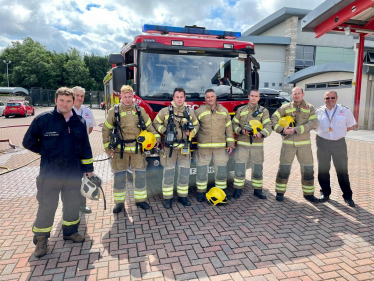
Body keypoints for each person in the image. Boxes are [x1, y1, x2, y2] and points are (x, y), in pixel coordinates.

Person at [23, 87, 94, 258]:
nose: (65, 103)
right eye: (62, 100)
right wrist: (45, 152)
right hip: (50, 172)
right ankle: (41, 239)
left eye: (68, 101)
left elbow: (86, 147)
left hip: (73, 172)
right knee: (47, 205)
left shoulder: (79, 122)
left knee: (71, 203)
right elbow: (28, 142)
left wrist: (88, 169)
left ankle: (70, 232)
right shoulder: (43, 120)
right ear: (56, 101)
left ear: (73, 102)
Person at [102, 85, 160, 213]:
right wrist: (107, 148)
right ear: (121, 97)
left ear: (133, 96)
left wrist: (157, 139)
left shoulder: (140, 110)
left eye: (130, 97)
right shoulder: (114, 111)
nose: (128, 99)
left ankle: (140, 200)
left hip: (137, 151)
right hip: (119, 151)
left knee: (140, 176)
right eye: (125, 97)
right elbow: (106, 129)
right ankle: (119, 203)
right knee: (119, 177)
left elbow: (149, 126)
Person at [153, 88, 199, 209]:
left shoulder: (190, 112)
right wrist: (164, 131)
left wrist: (192, 132)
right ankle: (167, 199)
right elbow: (155, 123)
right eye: (177, 97)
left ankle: (182, 196)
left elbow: (197, 124)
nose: (179, 99)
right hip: (170, 150)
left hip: (185, 148)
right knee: (168, 173)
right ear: (173, 98)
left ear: (184, 98)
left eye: (181, 97)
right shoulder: (165, 111)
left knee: (184, 173)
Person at [271, 86, 319, 203]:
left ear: (303, 94)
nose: (296, 95)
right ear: (291, 95)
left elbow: (313, 122)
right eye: (294, 94)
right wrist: (282, 129)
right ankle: (280, 192)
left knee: (307, 169)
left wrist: (296, 129)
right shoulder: (285, 107)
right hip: (288, 144)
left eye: (298, 93)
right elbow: (273, 119)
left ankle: (308, 194)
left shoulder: (310, 108)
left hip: (304, 145)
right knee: (284, 168)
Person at [315, 90, 356, 207]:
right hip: (322, 143)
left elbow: (350, 126)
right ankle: (325, 193)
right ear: (324, 99)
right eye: (327, 98)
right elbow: (313, 126)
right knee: (323, 170)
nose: (330, 100)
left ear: (336, 98)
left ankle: (347, 196)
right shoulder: (318, 111)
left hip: (339, 144)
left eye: (332, 97)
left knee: (342, 171)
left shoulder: (344, 110)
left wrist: (338, 133)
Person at [194, 89, 235, 201]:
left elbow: (229, 128)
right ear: (205, 99)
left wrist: (230, 143)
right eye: (208, 97)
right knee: (202, 171)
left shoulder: (224, 111)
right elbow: (194, 127)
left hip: (220, 147)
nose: (210, 99)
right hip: (203, 147)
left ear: (215, 97)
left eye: (212, 96)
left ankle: (221, 192)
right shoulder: (199, 111)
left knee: (221, 171)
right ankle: (201, 193)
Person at [232, 90, 272, 199]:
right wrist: (241, 131)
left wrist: (261, 134)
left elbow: (268, 127)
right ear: (248, 97)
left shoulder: (264, 111)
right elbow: (233, 124)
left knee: (257, 168)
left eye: (256, 96)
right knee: (240, 167)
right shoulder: (240, 110)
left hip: (257, 146)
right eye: (252, 96)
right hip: (242, 144)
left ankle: (258, 190)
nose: (254, 98)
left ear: (259, 98)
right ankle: (237, 189)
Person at [72, 86, 97, 214]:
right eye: (77, 95)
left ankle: (82, 205)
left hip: (83, 149)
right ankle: (70, 205)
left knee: (84, 178)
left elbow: (90, 128)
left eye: (82, 96)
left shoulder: (87, 111)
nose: (80, 98)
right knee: (70, 178)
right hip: (69, 151)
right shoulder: (66, 110)